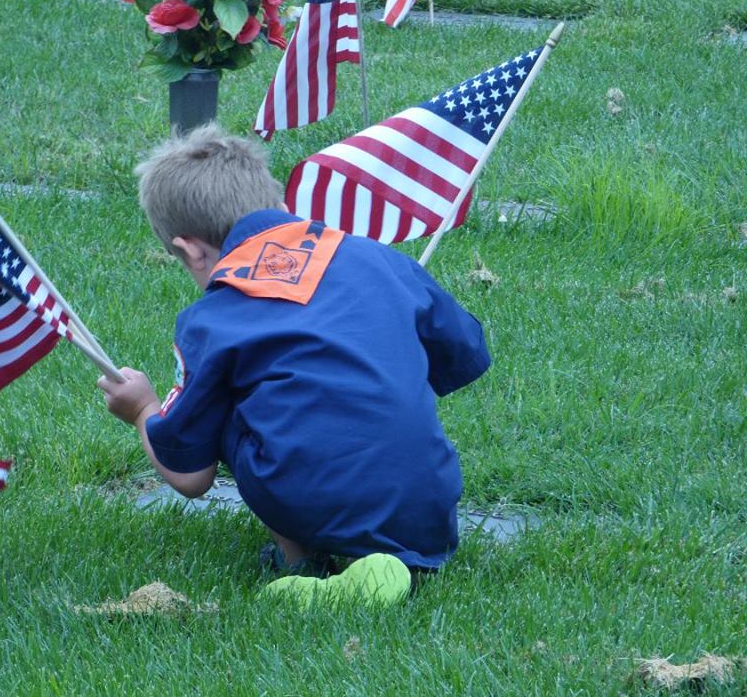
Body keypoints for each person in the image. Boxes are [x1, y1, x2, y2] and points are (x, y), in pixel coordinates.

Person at [98, 124, 491, 608]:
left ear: (189, 249)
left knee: (231, 410)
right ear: (284, 209)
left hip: (311, 503)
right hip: (430, 508)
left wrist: (141, 409)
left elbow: (190, 478)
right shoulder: (379, 259)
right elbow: (466, 354)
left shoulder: (211, 320)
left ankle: (300, 562)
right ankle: (377, 562)